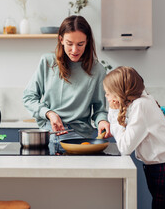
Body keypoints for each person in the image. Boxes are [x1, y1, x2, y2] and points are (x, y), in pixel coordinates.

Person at [103, 66, 165, 209]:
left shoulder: (141, 105)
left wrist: (114, 112)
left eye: (108, 93)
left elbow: (124, 147)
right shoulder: (141, 102)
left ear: (119, 93)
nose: (106, 97)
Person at [23, 15, 110, 143]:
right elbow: (28, 98)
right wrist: (49, 114)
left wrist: (102, 121)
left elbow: (99, 110)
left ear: (87, 42)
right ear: (61, 39)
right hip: (49, 133)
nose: (75, 50)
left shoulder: (98, 70)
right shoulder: (47, 62)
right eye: (70, 44)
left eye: (80, 44)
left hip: (80, 136)